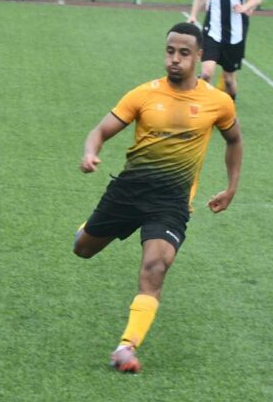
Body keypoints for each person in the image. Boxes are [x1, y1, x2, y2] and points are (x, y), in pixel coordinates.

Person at [73, 22, 243, 373]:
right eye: (170, 51)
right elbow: (100, 130)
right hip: (128, 192)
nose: (175, 59)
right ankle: (87, 228)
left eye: (183, 53)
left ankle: (126, 347)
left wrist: (231, 187)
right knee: (83, 249)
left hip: (171, 202)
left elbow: (234, 140)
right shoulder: (144, 94)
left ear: (198, 56)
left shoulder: (217, 102)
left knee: (155, 267)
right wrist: (90, 152)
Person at [188, 0, 261, 101]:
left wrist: (245, 7)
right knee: (206, 73)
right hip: (212, 30)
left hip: (234, 34)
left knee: (229, 79)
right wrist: (193, 15)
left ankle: (230, 105)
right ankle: (203, 107)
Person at [211, 0, 265, 93]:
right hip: (217, 18)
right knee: (210, 56)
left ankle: (222, 91)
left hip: (239, 20)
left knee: (230, 63)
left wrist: (248, 7)